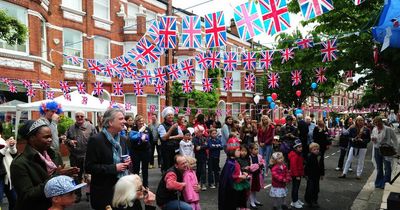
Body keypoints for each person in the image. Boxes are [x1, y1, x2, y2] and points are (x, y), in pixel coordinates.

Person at [11, 120, 79, 210]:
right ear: (32, 138)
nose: (50, 139)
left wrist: (67, 178)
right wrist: (56, 177)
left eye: (51, 136)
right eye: (46, 137)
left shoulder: (55, 155)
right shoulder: (19, 164)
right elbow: (27, 196)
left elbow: (59, 187)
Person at [85, 108, 132, 210]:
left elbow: (123, 162)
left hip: (121, 190)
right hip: (103, 193)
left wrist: (127, 162)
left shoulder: (123, 139)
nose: (124, 121)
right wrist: (114, 168)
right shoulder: (96, 140)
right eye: (121, 119)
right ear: (110, 122)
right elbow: (89, 167)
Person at [65, 111, 97, 203]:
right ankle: (78, 195)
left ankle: (89, 194)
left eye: (81, 116)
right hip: (74, 156)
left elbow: (96, 139)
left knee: (89, 176)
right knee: (76, 177)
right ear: (75, 117)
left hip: (88, 156)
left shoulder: (91, 127)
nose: (79, 118)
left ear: (84, 117)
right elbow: (65, 139)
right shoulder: (71, 128)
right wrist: (69, 141)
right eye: (77, 116)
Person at [218, 137, 248, 210]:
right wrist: (241, 176)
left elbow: (235, 172)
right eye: (238, 150)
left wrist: (242, 172)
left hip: (235, 190)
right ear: (232, 151)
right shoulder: (230, 164)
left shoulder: (233, 161)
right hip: (231, 191)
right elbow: (230, 178)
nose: (240, 152)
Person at [371, 116, 399, 189]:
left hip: (386, 150)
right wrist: (373, 139)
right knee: (379, 167)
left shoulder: (388, 129)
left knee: (387, 167)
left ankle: (385, 183)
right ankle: (378, 182)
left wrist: (396, 150)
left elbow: (395, 139)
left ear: (381, 122)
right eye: (375, 122)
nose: (377, 124)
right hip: (377, 149)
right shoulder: (374, 129)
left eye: (378, 122)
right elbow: (373, 136)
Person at [129, 115, 153, 188]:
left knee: (145, 169)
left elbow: (151, 140)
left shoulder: (147, 129)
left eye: (142, 120)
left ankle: (145, 185)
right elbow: (131, 140)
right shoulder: (133, 129)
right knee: (136, 169)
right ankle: (136, 186)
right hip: (135, 151)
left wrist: (149, 147)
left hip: (145, 151)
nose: (141, 122)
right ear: (136, 122)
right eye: (139, 121)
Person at [158, 107, 183, 173]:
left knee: (176, 166)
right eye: (169, 115)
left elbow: (181, 136)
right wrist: (171, 129)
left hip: (176, 149)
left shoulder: (176, 125)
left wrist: (171, 137)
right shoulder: (162, 126)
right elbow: (164, 138)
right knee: (168, 168)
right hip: (166, 150)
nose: (171, 116)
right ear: (165, 117)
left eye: (171, 115)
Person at [0, 124, 17, 210]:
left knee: (14, 200)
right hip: (1, 176)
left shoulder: (2, 140)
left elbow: (13, 153)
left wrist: (12, 145)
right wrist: (6, 147)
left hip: (8, 174)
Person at [304, 143, 324, 208]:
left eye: (317, 149)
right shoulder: (309, 157)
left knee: (316, 189)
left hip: (317, 176)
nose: (316, 150)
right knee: (310, 189)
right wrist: (306, 174)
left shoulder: (320, 156)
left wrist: (322, 174)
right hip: (310, 176)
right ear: (311, 150)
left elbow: (322, 166)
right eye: (314, 149)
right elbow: (307, 167)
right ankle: (308, 201)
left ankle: (314, 201)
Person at [288, 139, 305, 209]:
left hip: (298, 174)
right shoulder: (294, 155)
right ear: (295, 148)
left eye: (301, 147)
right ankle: (294, 202)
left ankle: (296, 200)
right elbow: (293, 167)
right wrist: (297, 175)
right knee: (295, 188)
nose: (301, 148)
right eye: (299, 147)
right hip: (296, 175)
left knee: (297, 188)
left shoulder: (298, 154)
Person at [248, 143, 265, 209]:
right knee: (251, 189)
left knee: (255, 188)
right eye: (255, 149)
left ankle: (255, 200)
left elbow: (263, 162)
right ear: (250, 150)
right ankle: (251, 202)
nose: (257, 150)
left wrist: (262, 164)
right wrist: (258, 165)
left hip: (257, 175)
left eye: (257, 149)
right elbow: (251, 167)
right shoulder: (249, 157)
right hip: (252, 176)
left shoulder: (259, 156)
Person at [193, 125, 208, 190]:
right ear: (196, 132)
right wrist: (203, 146)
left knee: (204, 170)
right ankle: (197, 182)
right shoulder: (194, 139)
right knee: (198, 170)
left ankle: (203, 183)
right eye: (199, 132)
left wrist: (201, 147)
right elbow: (197, 148)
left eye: (202, 132)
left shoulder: (204, 138)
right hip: (197, 157)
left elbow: (207, 145)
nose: (201, 133)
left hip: (204, 156)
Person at [236, 144, 251, 209]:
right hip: (241, 180)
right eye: (242, 151)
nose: (244, 152)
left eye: (245, 151)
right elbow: (237, 169)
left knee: (247, 193)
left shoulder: (247, 159)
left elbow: (249, 168)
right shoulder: (237, 159)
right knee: (241, 194)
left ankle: (244, 206)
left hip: (247, 179)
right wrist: (244, 169)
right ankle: (241, 207)